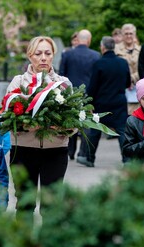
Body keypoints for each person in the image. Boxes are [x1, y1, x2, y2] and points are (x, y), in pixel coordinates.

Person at [6, 36, 72, 213]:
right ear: (29, 56)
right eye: (38, 53)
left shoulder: (63, 84)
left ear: (53, 56)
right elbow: (7, 117)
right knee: (25, 204)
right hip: (23, 151)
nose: (43, 57)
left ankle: (48, 241)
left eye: (48, 53)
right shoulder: (18, 82)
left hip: (55, 151)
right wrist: (27, 126)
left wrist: (62, 127)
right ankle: (24, 241)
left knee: (51, 205)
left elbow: (74, 121)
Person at [78, 36, 130, 167]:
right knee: (122, 131)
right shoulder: (123, 63)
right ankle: (127, 160)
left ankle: (89, 158)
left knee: (95, 131)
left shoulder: (99, 63)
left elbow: (93, 86)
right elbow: (128, 83)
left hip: (101, 103)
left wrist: (89, 103)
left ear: (102, 47)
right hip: (119, 102)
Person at [59, 29, 100, 160]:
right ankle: (83, 152)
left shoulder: (67, 54)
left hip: (70, 93)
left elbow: (61, 75)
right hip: (89, 93)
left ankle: (70, 151)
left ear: (78, 39)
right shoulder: (96, 55)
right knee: (86, 121)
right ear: (89, 40)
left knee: (70, 119)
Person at [115, 23, 141, 114]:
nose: (128, 36)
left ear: (134, 34)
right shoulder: (115, 50)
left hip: (137, 87)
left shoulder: (140, 50)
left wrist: (132, 78)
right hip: (121, 88)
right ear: (122, 35)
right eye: (126, 33)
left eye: (131, 33)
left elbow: (143, 68)